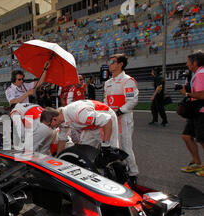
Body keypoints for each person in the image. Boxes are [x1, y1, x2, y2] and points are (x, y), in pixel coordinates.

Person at [103, 54, 139, 185]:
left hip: (124, 119)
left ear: (120, 64)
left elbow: (132, 101)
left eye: (113, 62)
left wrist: (119, 111)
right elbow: (106, 100)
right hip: (111, 119)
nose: (110, 64)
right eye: (110, 61)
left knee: (125, 146)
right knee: (113, 145)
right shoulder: (107, 83)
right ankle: (119, 170)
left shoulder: (128, 80)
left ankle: (133, 173)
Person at [49, 100, 119, 157]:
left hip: (106, 120)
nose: (50, 127)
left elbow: (107, 120)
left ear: (54, 119)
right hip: (90, 125)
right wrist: (58, 157)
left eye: (49, 125)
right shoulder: (61, 121)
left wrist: (106, 144)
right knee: (85, 153)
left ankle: (125, 171)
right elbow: (62, 139)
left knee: (110, 151)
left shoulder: (78, 114)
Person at [179, 50, 204, 176]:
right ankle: (197, 163)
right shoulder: (197, 73)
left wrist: (187, 94)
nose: (187, 64)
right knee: (186, 136)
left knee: (202, 139)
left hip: (202, 111)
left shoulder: (200, 74)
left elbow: (202, 95)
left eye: (188, 61)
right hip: (196, 111)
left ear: (195, 62)